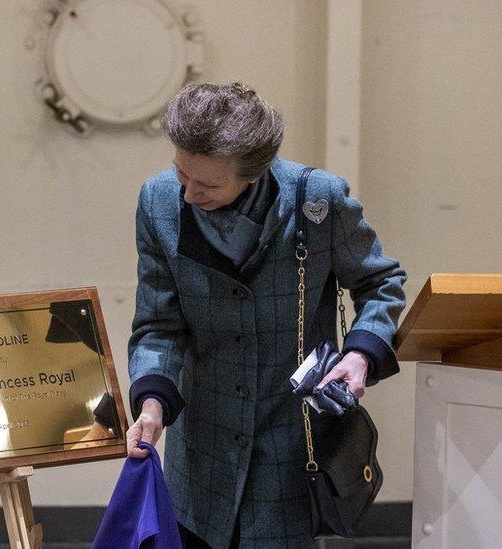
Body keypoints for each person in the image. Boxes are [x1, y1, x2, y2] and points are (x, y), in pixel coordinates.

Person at [125, 82, 406, 548]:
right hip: (201, 452)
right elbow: (158, 324)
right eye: (181, 173)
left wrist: (360, 356)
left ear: (254, 172)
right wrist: (152, 405)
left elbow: (381, 284)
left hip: (292, 445)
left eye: (210, 184)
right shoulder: (158, 202)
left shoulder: (318, 201)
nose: (191, 194)